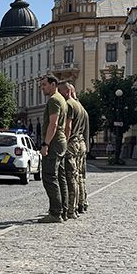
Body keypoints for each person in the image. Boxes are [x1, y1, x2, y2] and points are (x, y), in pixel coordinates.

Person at [38, 75, 68, 223]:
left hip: (54, 143)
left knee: (49, 176)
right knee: (60, 177)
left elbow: (53, 124)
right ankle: (64, 210)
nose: (42, 87)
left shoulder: (54, 100)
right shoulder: (62, 99)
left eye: (44, 85)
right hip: (61, 142)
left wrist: (45, 144)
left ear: (53, 84)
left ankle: (55, 213)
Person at [57, 81, 88, 219]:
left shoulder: (69, 105)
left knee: (70, 177)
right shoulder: (80, 106)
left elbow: (68, 126)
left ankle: (71, 209)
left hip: (71, 143)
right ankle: (80, 204)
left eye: (60, 92)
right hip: (79, 142)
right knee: (78, 176)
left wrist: (64, 142)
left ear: (66, 92)